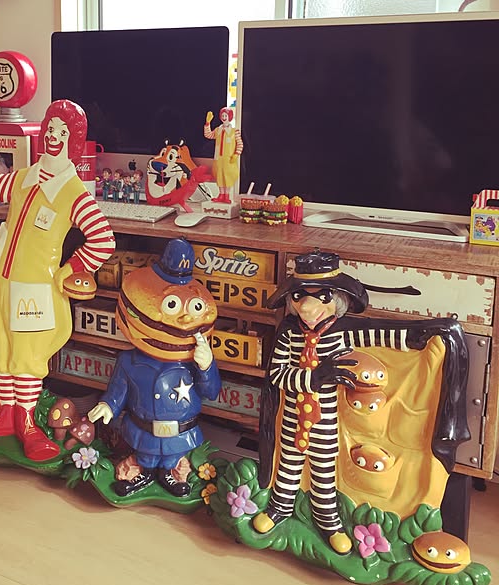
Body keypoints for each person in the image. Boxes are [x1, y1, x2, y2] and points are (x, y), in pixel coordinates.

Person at [0, 96, 115, 461]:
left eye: (62, 132)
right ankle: (5, 416)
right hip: (0, 283)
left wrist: (69, 270)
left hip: (34, 291)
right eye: (50, 128)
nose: (54, 136)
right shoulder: (26, 176)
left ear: (73, 141)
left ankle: (26, 423)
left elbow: (103, 239)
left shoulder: (73, 192)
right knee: (3, 351)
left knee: (25, 358)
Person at [252, 250, 422, 555]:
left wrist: (421, 337)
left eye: (322, 297)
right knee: (288, 466)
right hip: (292, 419)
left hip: (326, 421)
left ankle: (328, 520)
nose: (308, 306)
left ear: (339, 299)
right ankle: (280, 507)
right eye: (300, 296)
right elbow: (277, 374)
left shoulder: (343, 333)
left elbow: (380, 336)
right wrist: (315, 377)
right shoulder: (288, 332)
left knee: (323, 473)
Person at [88, 238, 220, 497]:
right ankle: (145, 472)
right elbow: (118, 391)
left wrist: (206, 366)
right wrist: (108, 406)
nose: (184, 318)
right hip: (143, 428)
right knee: (145, 455)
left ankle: (169, 473)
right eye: (173, 305)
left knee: (172, 457)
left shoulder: (192, 361)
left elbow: (211, 392)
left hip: (179, 432)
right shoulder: (128, 361)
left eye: (194, 308)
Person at [203, 107, 243, 204]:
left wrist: (236, 154)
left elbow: (240, 144)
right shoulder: (218, 130)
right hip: (218, 159)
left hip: (229, 160)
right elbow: (208, 135)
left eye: (226, 115)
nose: (224, 117)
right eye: (223, 115)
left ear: (230, 117)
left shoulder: (235, 131)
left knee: (228, 177)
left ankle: (227, 195)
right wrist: (207, 124)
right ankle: (221, 195)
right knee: (219, 176)